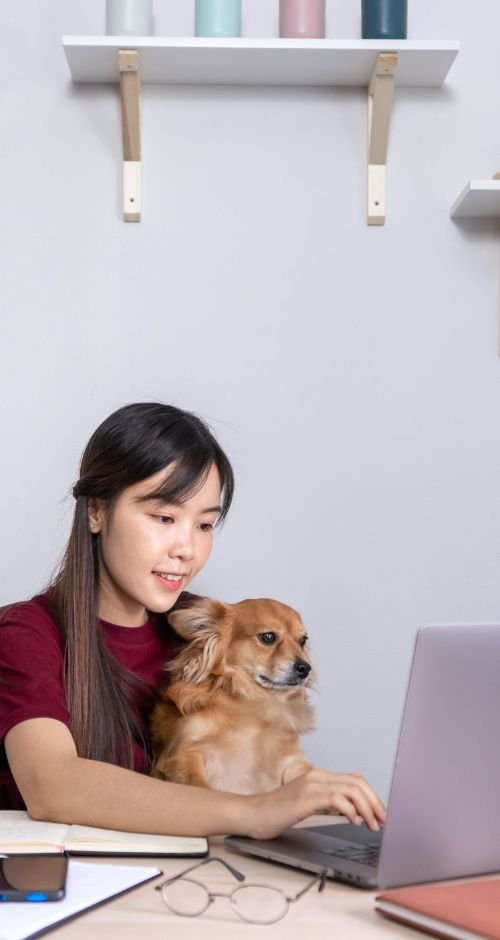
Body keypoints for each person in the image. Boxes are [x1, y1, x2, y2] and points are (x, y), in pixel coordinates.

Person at [0, 402, 385, 839]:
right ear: (96, 512)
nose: (187, 549)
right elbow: (52, 786)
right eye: (164, 518)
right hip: (68, 886)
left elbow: (259, 757)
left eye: (204, 525)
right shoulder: (29, 633)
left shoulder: (209, 633)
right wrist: (253, 812)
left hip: (197, 874)